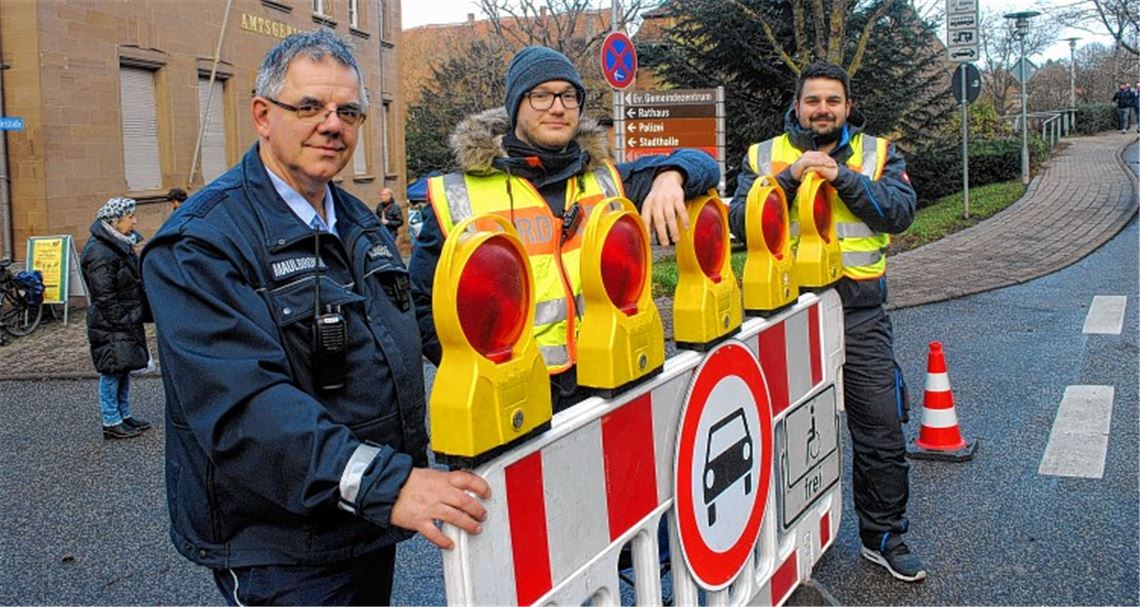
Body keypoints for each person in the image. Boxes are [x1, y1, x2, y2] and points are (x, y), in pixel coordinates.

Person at [140, 30, 489, 605]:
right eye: (308, 107)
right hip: (281, 549)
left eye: (347, 111)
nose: (332, 124)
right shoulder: (201, 243)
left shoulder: (359, 224)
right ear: (262, 115)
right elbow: (244, 411)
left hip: (364, 523)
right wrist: (387, 482)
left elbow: (411, 340)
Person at [408, 45, 720, 412]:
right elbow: (421, 306)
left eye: (569, 96)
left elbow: (705, 163)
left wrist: (673, 176)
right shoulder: (456, 196)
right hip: (511, 404)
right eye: (541, 96)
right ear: (515, 106)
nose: (557, 107)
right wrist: (479, 374)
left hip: (610, 383)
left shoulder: (608, 180)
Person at [728, 62, 923, 582]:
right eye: (812, 101)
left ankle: (883, 536)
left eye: (832, 101)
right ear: (797, 106)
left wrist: (848, 180)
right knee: (766, 436)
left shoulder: (877, 154)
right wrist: (787, 182)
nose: (822, 110)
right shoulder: (764, 157)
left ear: (848, 107)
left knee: (880, 426)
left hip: (857, 312)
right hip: (781, 317)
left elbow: (900, 213)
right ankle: (766, 548)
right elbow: (736, 223)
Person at [81, 196, 152, 440]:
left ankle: (124, 415)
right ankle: (111, 421)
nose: (135, 220)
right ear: (115, 221)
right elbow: (104, 295)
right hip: (111, 321)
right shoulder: (101, 252)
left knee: (123, 368)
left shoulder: (117, 245)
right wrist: (123, 320)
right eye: (130, 217)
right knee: (112, 371)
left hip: (123, 318)